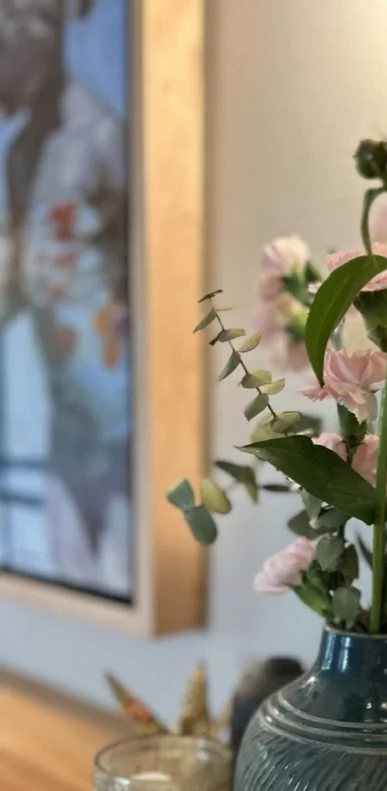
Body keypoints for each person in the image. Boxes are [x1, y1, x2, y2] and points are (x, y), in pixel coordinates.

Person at [0, 0, 130, 595]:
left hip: (126, 419)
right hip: (66, 415)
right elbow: (19, 281)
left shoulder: (105, 138)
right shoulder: (25, 150)